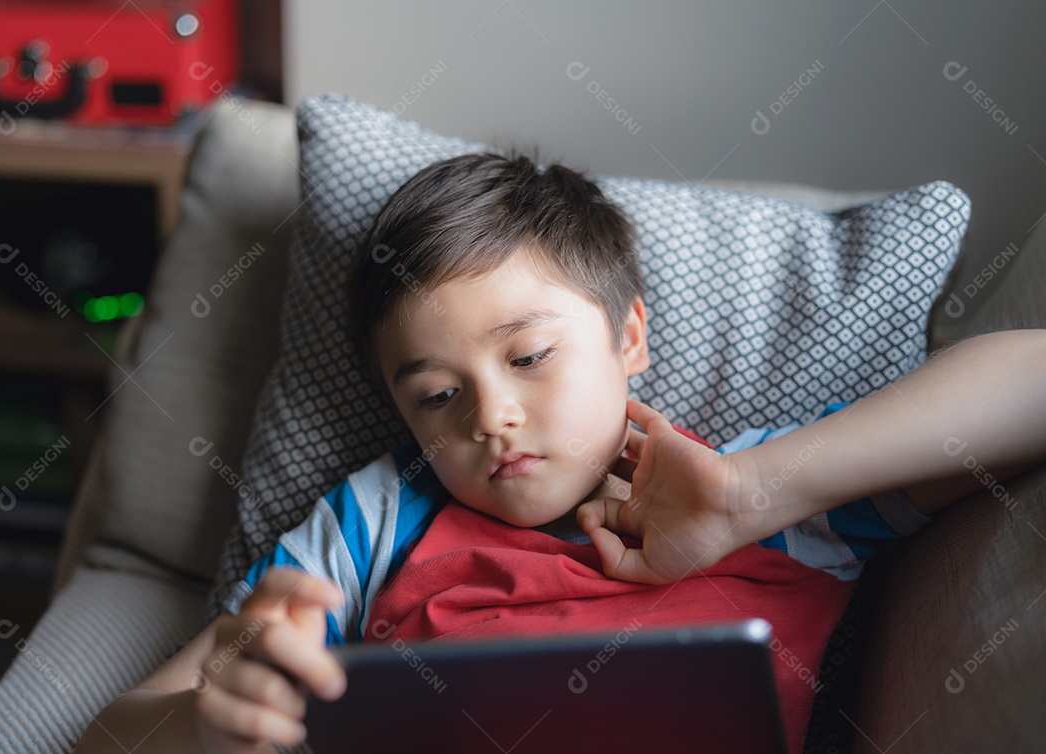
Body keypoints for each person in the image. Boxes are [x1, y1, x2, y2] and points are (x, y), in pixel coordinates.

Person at [77, 154, 1046, 754]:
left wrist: (753, 492)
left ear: (629, 338)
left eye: (531, 357)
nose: (492, 417)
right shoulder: (374, 519)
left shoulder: (755, 485)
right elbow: (107, 740)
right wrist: (205, 722)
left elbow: (1030, 383)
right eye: (437, 396)